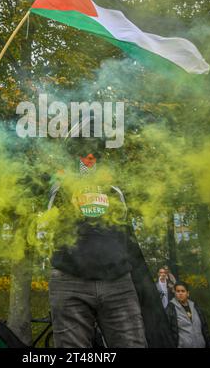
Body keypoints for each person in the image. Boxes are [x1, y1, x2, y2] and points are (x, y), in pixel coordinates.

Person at [47, 120, 175, 348]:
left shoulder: (115, 188)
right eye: (83, 147)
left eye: (96, 148)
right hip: (70, 279)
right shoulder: (59, 184)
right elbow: (48, 217)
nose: (90, 155)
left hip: (117, 282)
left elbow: (124, 226)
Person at [166, 281, 210, 348]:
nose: (180, 293)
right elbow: (168, 333)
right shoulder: (171, 308)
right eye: (178, 291)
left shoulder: (195, 306)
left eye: (183, 291)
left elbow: (205, 329)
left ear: (188, 293)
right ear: (175, 293)